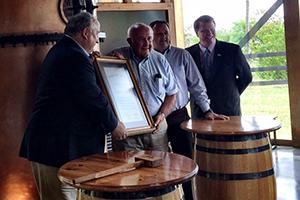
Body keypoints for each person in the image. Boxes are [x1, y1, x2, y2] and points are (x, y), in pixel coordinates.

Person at [19, 12, 128, 200]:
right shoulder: (74, 56)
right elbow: (91, 97)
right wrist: (113, 125)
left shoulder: (67, 51)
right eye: (96, 35)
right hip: (54, 148)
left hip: (59, 146)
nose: (96, 42)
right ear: (86, 32)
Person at [149, 20, 229, 200]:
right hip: (154, 120)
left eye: (165, 33)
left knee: (185, 160)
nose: (163, 37)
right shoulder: (146, 57)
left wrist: (207, 110)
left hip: (178, 116)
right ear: (151, 36)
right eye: (159, 33)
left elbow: (196, 85)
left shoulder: (181, 55)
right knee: (158, 161)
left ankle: (191, 196)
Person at [108, 22, 178, 152]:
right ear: (130, 41)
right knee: (128, 170)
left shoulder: (161, 60)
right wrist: (114, 66)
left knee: (159, 170)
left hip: (156, 129)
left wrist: (162, 115)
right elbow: (103, 91)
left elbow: (172, 93)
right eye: (141, 39)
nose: (147, 43)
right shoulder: (115, 59)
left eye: (149, 38)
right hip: (127, 133)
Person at [186, 15, 252, 118]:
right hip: (200, 110)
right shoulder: (188, 54)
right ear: (196, 33)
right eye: (204, 31)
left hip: (227, 107)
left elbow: (246, 77)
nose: (210, 34)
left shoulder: (232, 50)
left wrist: (231, 93)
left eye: (212, 29)